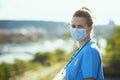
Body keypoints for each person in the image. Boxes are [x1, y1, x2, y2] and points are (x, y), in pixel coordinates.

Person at [66, 7, 104, 80]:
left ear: (91, 28)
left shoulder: (89, 51)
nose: (76, 30)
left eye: (80, 26)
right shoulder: (81, 50)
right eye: (73, 26)